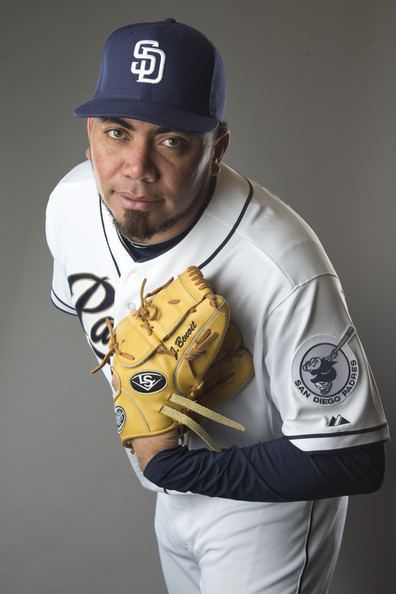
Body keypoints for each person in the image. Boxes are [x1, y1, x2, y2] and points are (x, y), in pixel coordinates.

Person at [46, 18, 389, 594]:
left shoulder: (281, 266)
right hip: (172, 494)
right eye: (117, 131)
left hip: (266, 515)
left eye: (172, 139)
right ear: (90, 135)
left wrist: (171, 464)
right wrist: (167, 463)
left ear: (217, 149)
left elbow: (356, 460)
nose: (136, 166)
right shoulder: (72, 205)